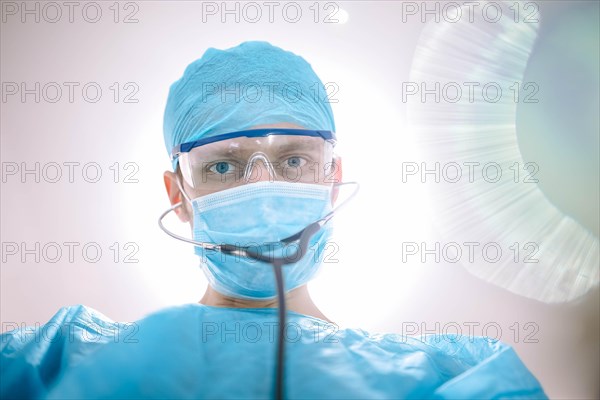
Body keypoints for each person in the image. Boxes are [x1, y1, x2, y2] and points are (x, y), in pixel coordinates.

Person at [0, 41, 548, 399]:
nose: (261, 187)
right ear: (180, 195)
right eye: (223, 164)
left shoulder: (448, 381)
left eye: (293, 161)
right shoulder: (55, 360)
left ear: (331, 182)